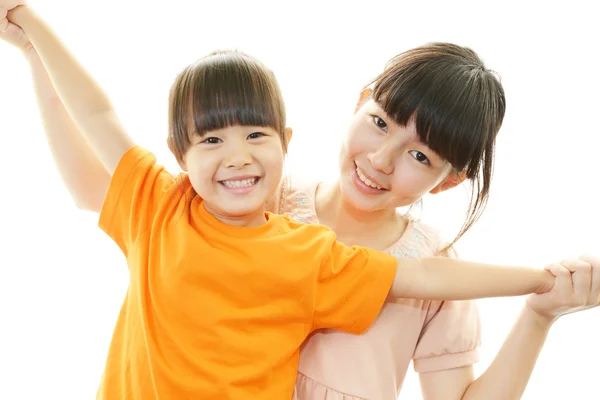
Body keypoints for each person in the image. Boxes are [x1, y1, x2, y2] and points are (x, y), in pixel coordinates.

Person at [2, 4, 597, 400]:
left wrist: (540, 300)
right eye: (381, 122)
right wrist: (33, 49)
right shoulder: (250, 202)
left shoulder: (401, 268)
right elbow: (99, 158)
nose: (383, 159)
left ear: (446, 180)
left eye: (422, 156)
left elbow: (424, 279)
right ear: (360, 101)